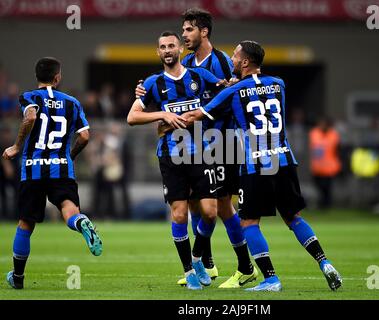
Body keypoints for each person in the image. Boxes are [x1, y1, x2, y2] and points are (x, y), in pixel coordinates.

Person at [182, 41, 343, 291]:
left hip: (255, 165)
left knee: (249, 223)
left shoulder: (233, 92)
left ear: (245, 62)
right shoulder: (279, 84)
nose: (232, 60)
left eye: (235, 56)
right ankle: (325, 263)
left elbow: (198, 115)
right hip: (284, 159)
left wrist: (165, 114)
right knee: (294, 218)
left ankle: (270, 279)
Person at [136, 8, 257, 288]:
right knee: (193, 206)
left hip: (222, 142)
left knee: (221, 206)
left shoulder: (223, 62)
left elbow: (235, 94)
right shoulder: (188, 62)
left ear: (203, 31)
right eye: (183, 31)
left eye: (188, 30)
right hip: (193, 146)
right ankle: (208, 266)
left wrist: (195, 118)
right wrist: (144, 91)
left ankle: (241, 265)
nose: (184, 35)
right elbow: (171, 91)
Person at [127, 31, 224, 290]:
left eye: (172, 45)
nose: (168, 50)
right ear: (158, 53)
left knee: (211, 213)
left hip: (202, 154)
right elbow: (132, 117)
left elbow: (226, 90)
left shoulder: (199, 77)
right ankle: (189, 271)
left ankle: (197, 259)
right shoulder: (152, 83)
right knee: (180, 215)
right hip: (171, 158)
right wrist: (162, 115)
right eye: (162, 47)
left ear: (180, 49)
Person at [2, 57, 103, 289]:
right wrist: (70, 156)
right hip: (62, 168)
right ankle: (81, 223)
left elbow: (30, 116)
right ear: (58, 77)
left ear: (37, 76)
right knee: (70, 210)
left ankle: (17, 278)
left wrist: (17, 146)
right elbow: (85, 136)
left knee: (26, 223)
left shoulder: (28, 97)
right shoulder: (72, 102)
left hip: (33, 170)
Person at [309, 116, 342, 209]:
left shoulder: (333, 134)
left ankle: (326, 205)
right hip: (317, 166)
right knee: (318, 186)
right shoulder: (314, 133)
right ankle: (322, 203)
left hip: (329, 167)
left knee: (327, 188)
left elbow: (338, 149)